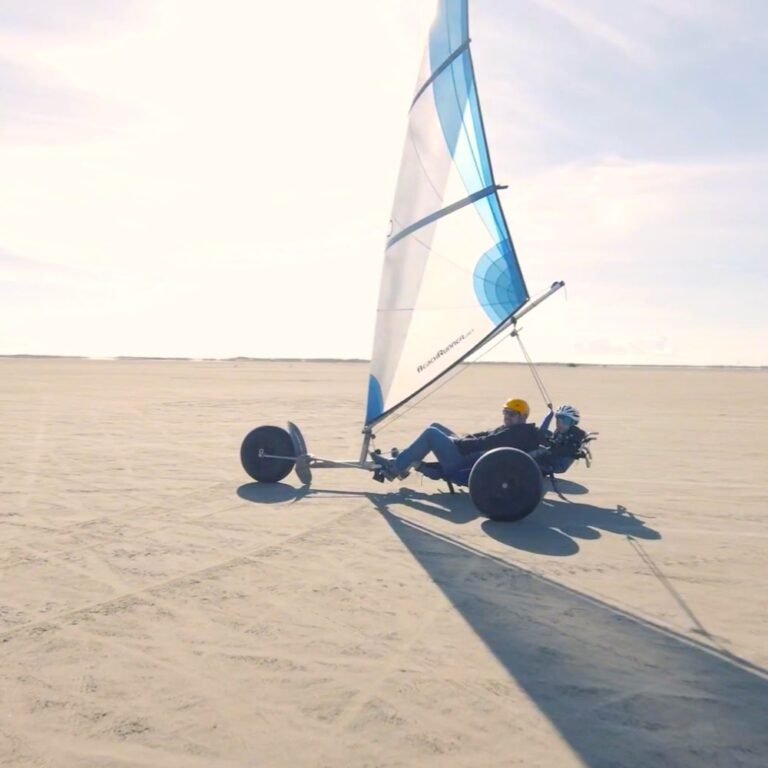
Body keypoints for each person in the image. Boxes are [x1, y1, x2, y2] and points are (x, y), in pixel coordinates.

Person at [371, 398, 540, 482]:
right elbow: (486, 436)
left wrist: (458, 443)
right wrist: (463, 438)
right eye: (505, 413)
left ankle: (394, 469)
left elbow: (486, 443)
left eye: (512, 414)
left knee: (431, 433)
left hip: (464, 464)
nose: (507, 416)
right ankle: (404, 466)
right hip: (471, 455)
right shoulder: (514, 430)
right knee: (436, 426)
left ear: (523, 417)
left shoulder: (515, 434)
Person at [531, 404, 587, 474]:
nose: (560, 423)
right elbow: (544, 435)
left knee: (533, 453)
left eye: (565, 421)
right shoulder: (560, 432)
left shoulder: (574, 435)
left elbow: (564, 449)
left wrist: (548, 447)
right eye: (558, 419)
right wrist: (550, 415)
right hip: (551, 459)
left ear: (573, 422)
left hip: (556, 463)